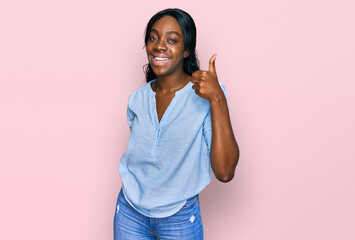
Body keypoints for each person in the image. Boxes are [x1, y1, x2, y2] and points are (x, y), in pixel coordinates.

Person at [114, 8, 239, 240]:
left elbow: (225, 172)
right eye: (153, 38)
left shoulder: (208, 96)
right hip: (129, 213)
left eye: (172, 40)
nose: (160, 46)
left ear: (186, 51)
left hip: (179, 217)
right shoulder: (137, 99)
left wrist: (216, 98)